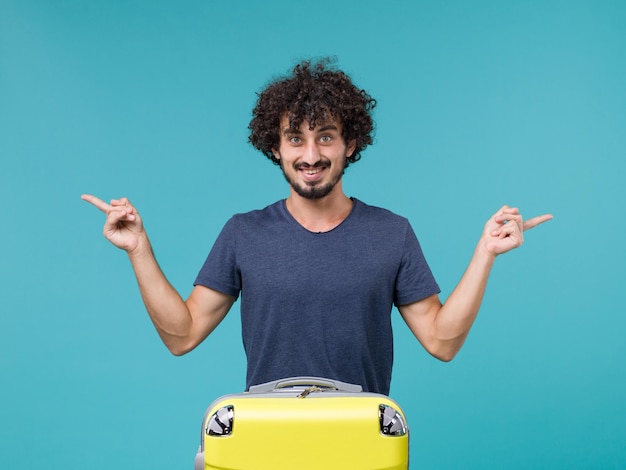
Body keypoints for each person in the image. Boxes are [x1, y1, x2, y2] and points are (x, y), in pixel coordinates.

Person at [82, 59, 552, 395]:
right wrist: (138, 249)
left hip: (360, 443)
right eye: (295, 139)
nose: (310, 155)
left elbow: (441, 341)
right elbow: (181, 335)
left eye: (325, 137)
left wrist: (484, 253)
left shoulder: (393, 233)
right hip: (268, 440)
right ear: (275, 147)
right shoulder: (243, 234)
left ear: (351, 144)